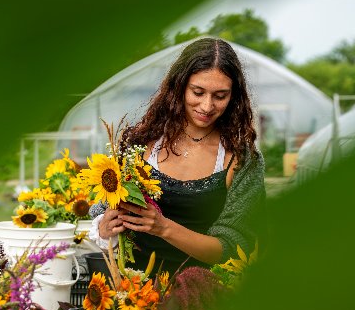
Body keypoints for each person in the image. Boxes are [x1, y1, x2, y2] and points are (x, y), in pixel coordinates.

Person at [89, 37, 266, 274]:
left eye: (220, 96)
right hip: (133, 297)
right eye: (198, 92)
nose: (207, 106)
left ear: (234, 97)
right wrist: (105, 226)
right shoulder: (140, 143)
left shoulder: (241, 160)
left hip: (201, 297)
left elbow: (232, 247)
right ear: (179, 87)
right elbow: (105, 208)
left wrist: (162, 227)